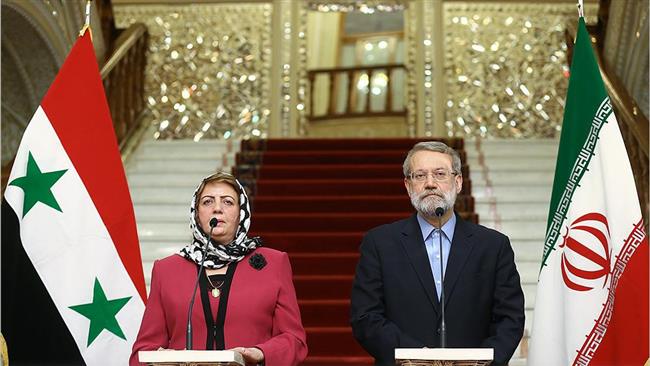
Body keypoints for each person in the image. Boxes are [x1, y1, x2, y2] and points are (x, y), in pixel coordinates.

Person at [350, 141, 524, 366]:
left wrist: (479, 362)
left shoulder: (493, 245)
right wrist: (417, 357)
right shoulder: (380, 243)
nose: (430, 183)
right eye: (420, 176)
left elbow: (510, 319)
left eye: (440, 174)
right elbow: (365, 317)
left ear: (458, 182)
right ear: (407, 185)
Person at [130, 171, 308, 366]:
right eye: (207, 202)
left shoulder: (274, 264)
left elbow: (295, 341)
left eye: (227, 202)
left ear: (241, 213)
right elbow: (142, 352)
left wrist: (259, 353)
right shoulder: (166, 270)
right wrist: (164, 359)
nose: (217, 208)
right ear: (196, 213)